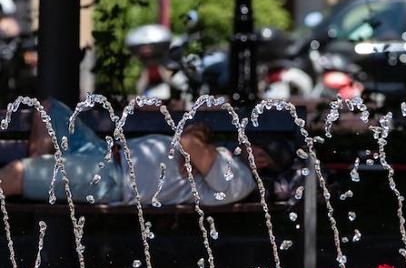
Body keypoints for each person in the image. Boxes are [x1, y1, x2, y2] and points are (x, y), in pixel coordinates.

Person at [0, 100, 256, 206]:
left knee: (14, 174)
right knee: (48, 108)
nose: (245, 143)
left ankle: (36, 175)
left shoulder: (240, 180)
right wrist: (202, 138)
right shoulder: (225, 161)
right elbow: (195, 130)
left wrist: (195, 145)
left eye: (257, 147)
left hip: (109, 178)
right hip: (102, 151)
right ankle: (41, 171)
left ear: (263, 160)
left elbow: (189, 140)